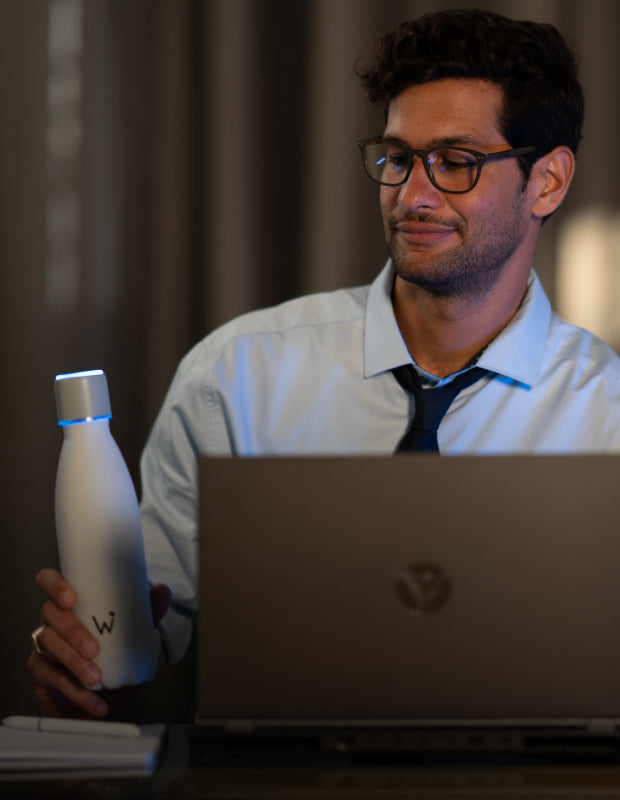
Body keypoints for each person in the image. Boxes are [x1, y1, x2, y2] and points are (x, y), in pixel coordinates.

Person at [28, 8, 620, 718]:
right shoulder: (236, 378)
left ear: (548, 182)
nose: (412, 194)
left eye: (456, 162)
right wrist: (87, 658)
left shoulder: (607, 413)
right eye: (398, 158)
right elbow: (146, 629)